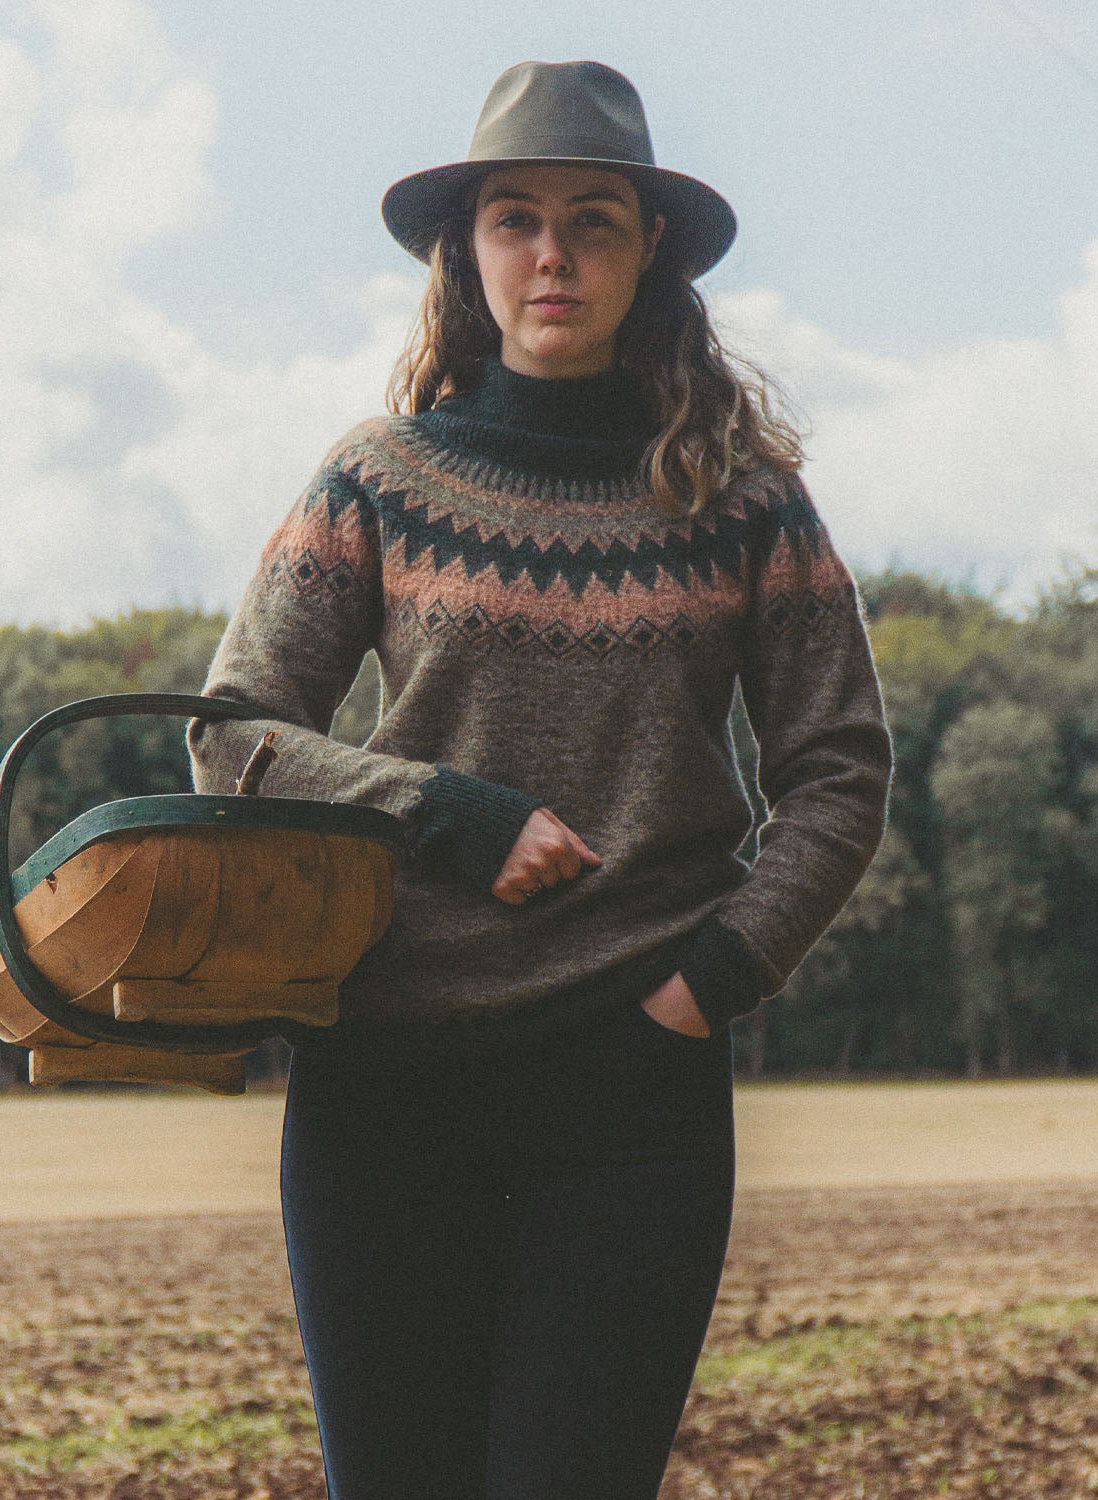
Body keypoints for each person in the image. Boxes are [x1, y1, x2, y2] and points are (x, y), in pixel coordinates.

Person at [188, 59, 892, 1500]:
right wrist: (446, 813)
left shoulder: (746, 501)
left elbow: (838, 772)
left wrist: (712, 981)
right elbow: (231, 730)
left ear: (651, 250)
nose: (552, 253)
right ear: (469, 251)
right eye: (515, 217)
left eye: (593, 219)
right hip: (384, 1087)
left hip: (630, 1096)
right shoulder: (379, 478)